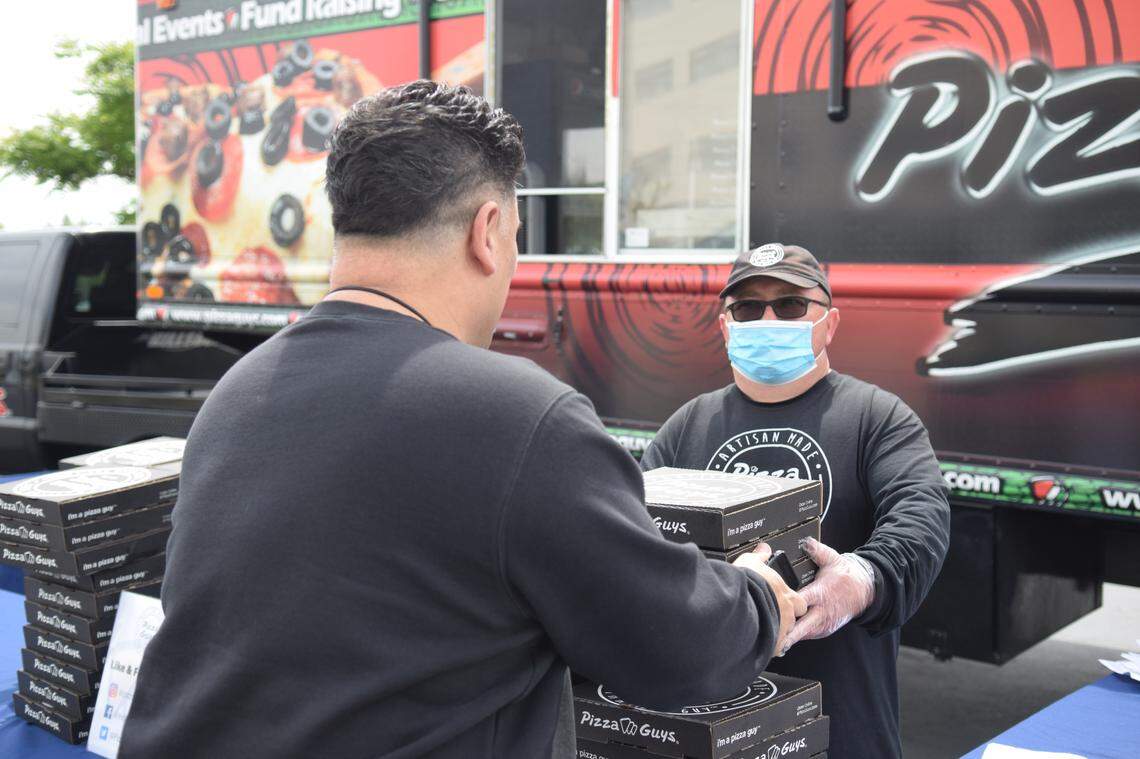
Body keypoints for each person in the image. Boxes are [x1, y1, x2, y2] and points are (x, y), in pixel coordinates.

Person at [119, 82, 804, 759]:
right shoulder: (518, 416)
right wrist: (760, 599)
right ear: (487, 232)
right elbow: (676, 650)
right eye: (514, 237)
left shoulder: (237, 392)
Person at [640, 243, 951, 759]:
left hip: (842, 730)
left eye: (788, 306)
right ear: (725, 327)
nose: (767, 320)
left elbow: (922, 517)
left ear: (828, 324)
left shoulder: (877, 418)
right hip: (711, 727)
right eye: (747, 309)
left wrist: (860, 580)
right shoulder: (688, 426)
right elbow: (630, 531)